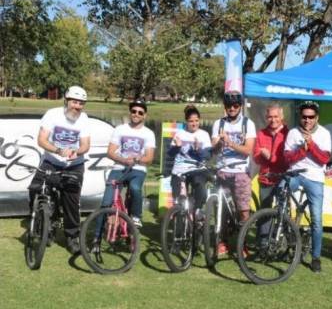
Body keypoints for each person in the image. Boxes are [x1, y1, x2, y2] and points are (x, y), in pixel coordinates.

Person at [28, 85, 91, 254]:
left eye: (81, 103)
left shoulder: (84, 119)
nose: (77, 106)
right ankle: (46, 226)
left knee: (71, 200)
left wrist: (77, 152)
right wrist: (57, 150)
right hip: (51, 161)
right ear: (66, 100)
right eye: (75, 102)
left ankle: (72, 237)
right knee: (35, 189)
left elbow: (85, 144)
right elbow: (42, 140)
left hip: (74, 164)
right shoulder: (52, 114)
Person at [284, 100, 331, 273]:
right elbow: (288, 159)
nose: (307, 120)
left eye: (311, 117)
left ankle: (316, 257)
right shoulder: (292, 133)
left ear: (316, 118)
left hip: (315, 178)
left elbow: (324, 159)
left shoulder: (324, 133)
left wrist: (311, 146)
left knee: (317, 220)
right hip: (296, 174)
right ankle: (283, 232)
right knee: (281, 189)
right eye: (304, 117)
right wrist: (302, 150)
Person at [212, 91, 256, 255]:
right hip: (222, 171)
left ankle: (242, 243)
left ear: (240, 106)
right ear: (225, 106)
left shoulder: (247, 124)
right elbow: (214, 150)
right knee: (220, 209)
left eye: (235, 105)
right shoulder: (219, 124)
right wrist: (219, 144)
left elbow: (247, 150)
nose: (232, 108)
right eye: (229, 106)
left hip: (240, 171)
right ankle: (222, 241)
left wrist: (230, 142)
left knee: (243, 210)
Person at [100, 99, 156, 228]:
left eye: (140, 112)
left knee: (135, 188)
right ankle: (96, 239)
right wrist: (124, 160)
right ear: (130, 113)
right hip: (119, 168)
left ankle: (136, 216)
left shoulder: (148, 133)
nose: (136, 114)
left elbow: (149, 159)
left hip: (138, 170)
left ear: (145, 115)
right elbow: (110, 152)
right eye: (134, 111)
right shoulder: (120, 129)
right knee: (106, 203)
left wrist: (137, 160)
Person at [168, 104, 212, 215]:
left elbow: (208, 155)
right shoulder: (179, 134)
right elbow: (170, 154)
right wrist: (177, 147)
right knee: (178, 200)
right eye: (191, 121)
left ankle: (197, 211)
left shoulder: (204, 134)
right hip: (180, 170)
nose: (194, 123)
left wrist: (198, 150)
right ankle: (179, 222)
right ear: (186, 121)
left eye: (196, 120)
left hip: (197, 169)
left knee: (200, 189)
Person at [253, 103, 289, 209]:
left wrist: (270, 157)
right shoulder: (261, 134)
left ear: (281, 117)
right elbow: (256, 157)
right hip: (265, 179)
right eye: (270, 117)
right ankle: (265, 226)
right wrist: (261, 156)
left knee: (282, 212)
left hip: (282, 179)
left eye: (276, 117)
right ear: (266, 118)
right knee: (264, 212)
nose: (273, 120)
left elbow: (288, 159)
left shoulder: (288, 134)